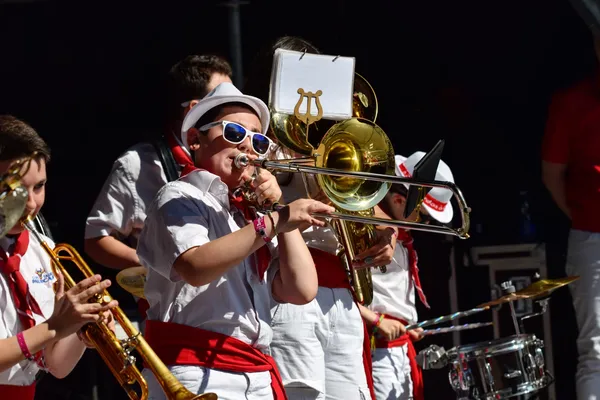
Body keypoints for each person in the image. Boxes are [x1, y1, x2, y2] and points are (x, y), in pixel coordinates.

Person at [136, 82, 335, 400]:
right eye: (233, 132)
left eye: (258, 140)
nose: (247, 146)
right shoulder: (179, 195)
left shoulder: (250, 217)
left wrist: (279, 211)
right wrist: (274, 221)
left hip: (253, 374)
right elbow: (196, 266)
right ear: (195, 139)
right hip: (196, 369)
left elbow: (301, 290)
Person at [244, 36, 397, 400]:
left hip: (342, 294)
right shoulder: (256, 140)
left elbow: (363, 201)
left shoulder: (331, 140)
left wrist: (386, 232)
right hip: (289, 286)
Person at [0, 115, 118, 399]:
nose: (31, 203)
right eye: (12, 190)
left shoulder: (43, 248)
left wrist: (80, 326)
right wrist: (55, 326)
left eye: (38, 186)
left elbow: (55, 365)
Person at [84, 54, 233, 272]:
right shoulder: (137, 164)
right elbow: (97, 239)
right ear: (193, 109)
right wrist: (156, 266)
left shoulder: (230, 162)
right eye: (226, 103)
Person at [358, 151, 455, 400]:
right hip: (375, 345)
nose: (423, 223)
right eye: (421, 215)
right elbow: (340, 290)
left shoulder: (402, 240)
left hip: (399, 344)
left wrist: (407, 324)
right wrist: (377, 321)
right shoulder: (370, 236)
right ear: (400, 201)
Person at [542, 34, 600, 400]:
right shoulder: (573, 102)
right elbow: (551, 175)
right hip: (592, 237)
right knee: (596, 348)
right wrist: (583, 214)